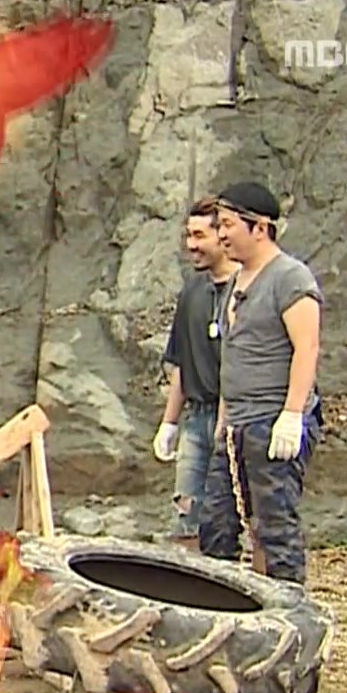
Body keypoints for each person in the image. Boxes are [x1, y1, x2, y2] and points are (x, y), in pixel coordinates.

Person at [198, 181, 324, 585]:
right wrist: (223, 423)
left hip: (271, 421)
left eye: (228, 225)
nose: (221, 234)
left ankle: (290, 609)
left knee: (275, 527)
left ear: (259, 227)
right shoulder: (235, 283)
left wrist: (292, 415)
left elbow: (307, 347)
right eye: (218, 225)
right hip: (236, 423)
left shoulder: (290, 278)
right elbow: (231, 358)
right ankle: (221, 608)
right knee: (216, 525)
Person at [153, 196, 238, 549]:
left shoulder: (245, 290)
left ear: (222, 236)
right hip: (197, 418)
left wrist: (225, 421)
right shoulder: (192, 290)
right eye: (188, 235)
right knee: (186, 513)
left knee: (227, 516)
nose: (191, 245)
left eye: (200, 236)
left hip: (235, 417)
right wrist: (169, 423)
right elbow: (182, 363)